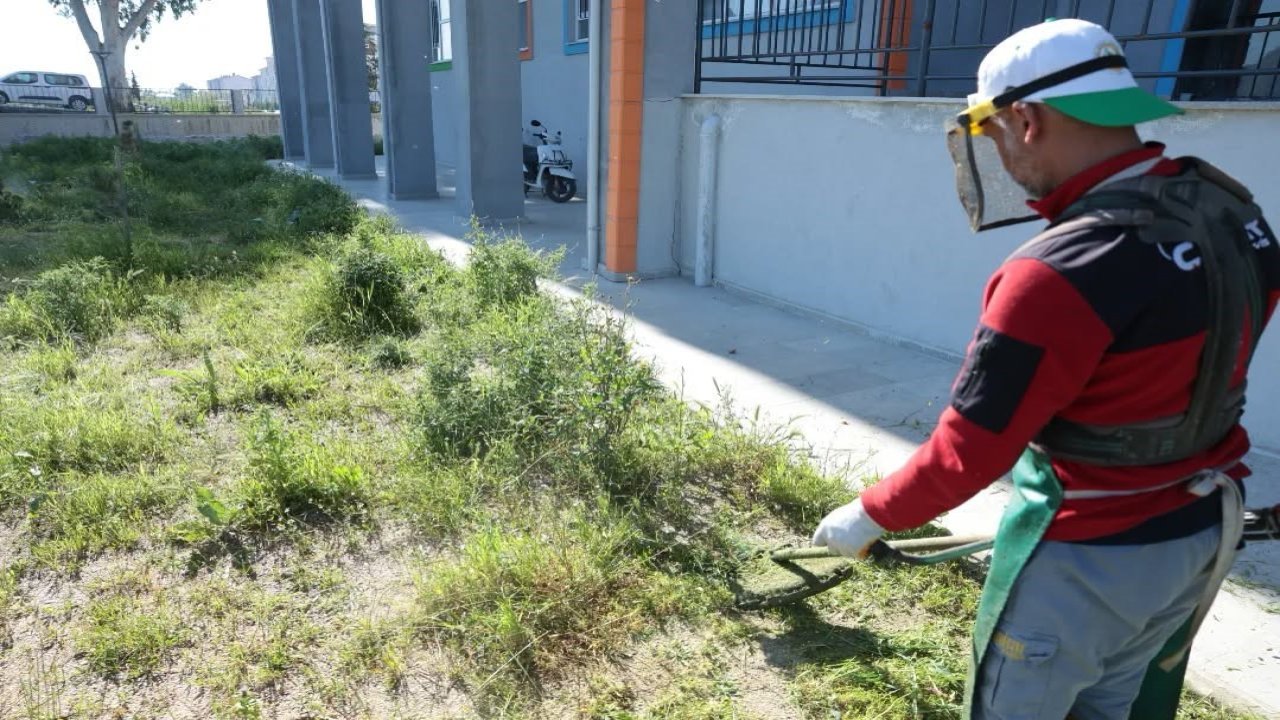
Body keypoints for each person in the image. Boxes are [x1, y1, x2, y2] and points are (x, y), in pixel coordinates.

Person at [810, 18, 1280, 720]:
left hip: (1087, 563)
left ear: (1026, 120)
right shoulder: (1231, 211)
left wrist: (870, 513)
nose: (998, 156)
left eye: (992, 131)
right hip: (1199, 536)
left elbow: (971, 450)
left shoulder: (1056, 273)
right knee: (1110, 704)